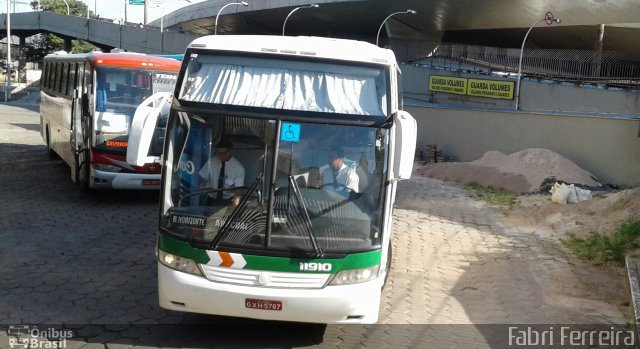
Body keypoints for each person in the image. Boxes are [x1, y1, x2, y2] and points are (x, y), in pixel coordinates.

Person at [199, 139, 245, 205]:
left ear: (231, 151)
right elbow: (202, 177)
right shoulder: (211, 162)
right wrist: (202, 187)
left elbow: (238, 192)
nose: (221, 156)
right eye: (218, 153)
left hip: (227, 201)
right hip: (211, 199)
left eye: (224, 153)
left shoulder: (239, 168)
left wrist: (234, 207)